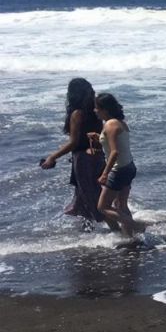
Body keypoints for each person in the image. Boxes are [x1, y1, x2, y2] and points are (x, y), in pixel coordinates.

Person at [40, 78, 114, 229]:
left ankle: (118, 230)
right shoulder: (94, 111)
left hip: (83, 160)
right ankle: (88, 231)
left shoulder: (77, 113)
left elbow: (73, 142)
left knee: (90, 196)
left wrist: (52, 157)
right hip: (97, 156)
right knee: (86, 196)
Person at [93, 93, 145, 236]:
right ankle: (130, 237)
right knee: (121, 205)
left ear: (105, 109)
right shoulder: (119, 122)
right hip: (129, 166)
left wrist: (104, 174)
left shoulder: (110, 125)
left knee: (102, 207)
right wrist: (99, 138)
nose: (95, 111)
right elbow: (117, 145)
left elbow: (115, 152)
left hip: (119, 170)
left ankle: (136, 226)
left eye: (97, 108)